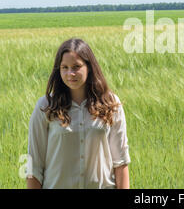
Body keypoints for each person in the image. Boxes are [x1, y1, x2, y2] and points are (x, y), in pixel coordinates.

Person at [26, 38, 130, 189]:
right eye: (65, 67)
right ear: (58, 69)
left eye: (76, 67)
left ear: (89, 67)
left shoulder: (110, 104)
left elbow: (121, 162)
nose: (70, 73)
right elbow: (33, 166)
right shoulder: (45, 107)